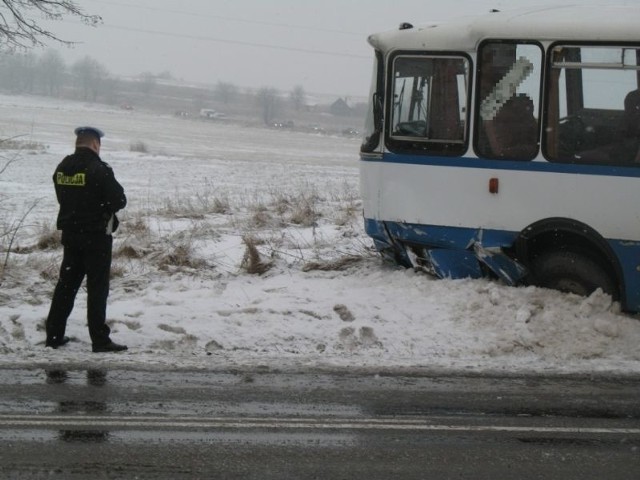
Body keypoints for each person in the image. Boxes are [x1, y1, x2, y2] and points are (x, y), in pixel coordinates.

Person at [45, 126, 128, 353]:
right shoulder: (99, 169)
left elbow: (62, 195)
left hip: (71, 236)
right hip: (96, 238)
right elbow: (119, 200)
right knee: (97, 289)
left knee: (66, 286)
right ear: (95, 144)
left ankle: (53, 335)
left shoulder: (63, 166)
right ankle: (100, 340)